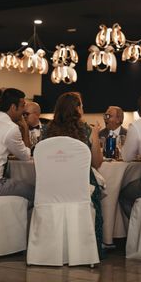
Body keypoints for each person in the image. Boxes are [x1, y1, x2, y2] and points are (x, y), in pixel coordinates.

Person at [42, 92, 104, 254]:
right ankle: (90, 249)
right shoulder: (87, 131)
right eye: (82, 106)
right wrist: (96, 135)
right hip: (80, 187)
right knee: (98, 190)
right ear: (77, 109)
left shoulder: (47, 131)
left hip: (50, 188)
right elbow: (97, 163)